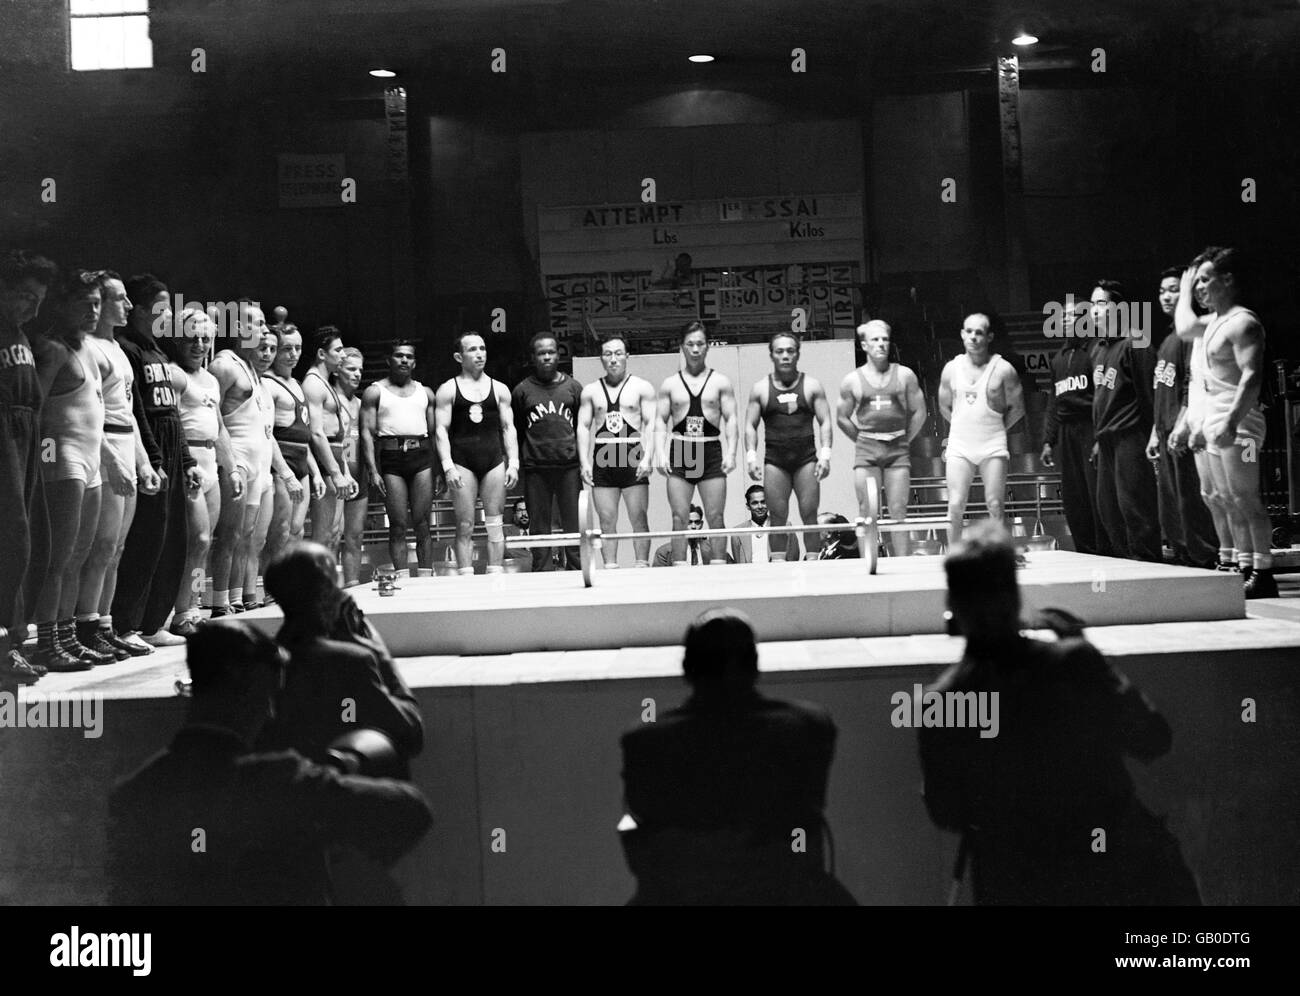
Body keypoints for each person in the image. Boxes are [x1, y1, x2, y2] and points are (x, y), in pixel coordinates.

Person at [917, 522, 1200, 905]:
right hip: (1113, 872)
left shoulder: (942, 701)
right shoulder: (1072, 664)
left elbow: (946, 812)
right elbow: (1153, 738)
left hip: (1015, 881)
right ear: (1015, 597)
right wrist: (1088, 655)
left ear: (953, 605)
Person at [106, 619, 433, 905]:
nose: (270, 712)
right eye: (266, 695)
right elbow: (411, 810)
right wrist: (337, 766)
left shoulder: (130, 795)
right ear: (246, 690)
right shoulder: (282, 780)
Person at [619, 608, 855, 905]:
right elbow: (807, 811)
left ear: (687, 668)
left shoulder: (644, 742)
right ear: (754, 666)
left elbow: (645, 825)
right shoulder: (809, 727)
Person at [28, 271, 130, 671]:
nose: (93, 311)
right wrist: (39, 460)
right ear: (60, 305)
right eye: (83, 303)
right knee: (57, 557)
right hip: (63, 458)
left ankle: (67, 637)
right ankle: (47, 641)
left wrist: (108, 458)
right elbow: (31, 410)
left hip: (89, 460)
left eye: (96, 303)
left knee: (79, 554)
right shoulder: (50, 349)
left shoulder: (88, 348)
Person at [259, 542, 423, 767]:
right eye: (335, 581)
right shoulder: (352, 661)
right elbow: (411, 731)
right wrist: (375, 649)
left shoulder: (264, 659)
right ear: (327, 592)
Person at [1175, 248, 1276, 597]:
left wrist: (1232, 420)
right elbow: (1184, 326)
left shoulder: (1243, 322)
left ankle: (1262, 573)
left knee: (1245, 497)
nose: (1200, 287)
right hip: (1214, 420)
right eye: (1198, 281)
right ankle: (1240, 564)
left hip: (1240, 421)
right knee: (1222, 498)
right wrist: (1186, 289)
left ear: (1228, 280)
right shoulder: (1210, 323)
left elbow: (1251, 376)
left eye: (1206, 279)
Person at [110, 275, 203, 646]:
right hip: (148, 450)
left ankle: (153, 624)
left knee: (173, 540)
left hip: (170, 449)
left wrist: (187, 459)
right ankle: (126, 624)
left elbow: (172, 414)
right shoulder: (127, 349)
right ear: (142, 309)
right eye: (162, 308)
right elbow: (138, 412)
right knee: (145, 540)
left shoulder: (160, 352)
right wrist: (152, 457)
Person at [75, 272, 162, 654]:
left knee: (118, 547)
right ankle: (85, 624)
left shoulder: (118, 350)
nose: (127, 306)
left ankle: (106, 623)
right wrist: (111, 459)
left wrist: (143, 461)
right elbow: (96, 412)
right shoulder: (90, 347)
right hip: (105, 442)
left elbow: (130, 410)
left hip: (127, 440)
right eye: (120, 299)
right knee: (102, 544)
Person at [0, 250, 57, 684]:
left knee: (27, 540)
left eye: (38, 299)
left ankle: (15, 641)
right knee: (11, 539)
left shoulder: (20, 334)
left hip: (26, 436)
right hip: (5, 436)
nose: (32, 307)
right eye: (23, 296)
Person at [166, 309, 237, 635]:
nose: (198, 344)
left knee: (203, 544)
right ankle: (175, 613)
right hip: (188, 462)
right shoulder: (173, 374)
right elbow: (171, 425)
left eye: (205, 339)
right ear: (178, 339)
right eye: (192, 338)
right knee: (196, 539)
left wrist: (232, 467)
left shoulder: (210, 379)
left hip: (210, 461)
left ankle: (191, 609)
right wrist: (185, 463)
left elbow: (220, 427)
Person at [208, 309, 284, 616]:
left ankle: (237, 598)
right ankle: (218, 602)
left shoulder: (255, 372)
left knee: (248, 536)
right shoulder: (224, 365)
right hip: (237, 462)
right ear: (239, 326)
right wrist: (229, 464)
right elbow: (211, 417)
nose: (265, 328)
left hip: (260, 466)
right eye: (259, 322)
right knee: (228, 534)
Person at [1147, 267, 1218, 569]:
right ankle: (1184, 556)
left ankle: (1207, 559)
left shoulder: (1193, 337)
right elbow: (1162, 390)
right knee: (1171, 506)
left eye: (1174, 289)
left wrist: (1181, 423)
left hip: (1185, 430)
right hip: (1164, 431)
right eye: (1162, 290)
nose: (1166, 295)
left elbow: (1192, 385)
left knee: (1192, 502)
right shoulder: (1166, 340)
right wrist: (1154, 431)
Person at [837, 320, 926, 556]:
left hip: (897, 447)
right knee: (867, 510)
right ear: (864, 345)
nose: (881, 344)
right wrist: (861, 440)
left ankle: (902, 563)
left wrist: (907, 438)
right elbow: (842, 417)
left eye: (885, 339)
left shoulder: (905, 375)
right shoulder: (853, 380)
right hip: (868, 448)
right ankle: (870, 562)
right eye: (875, 340)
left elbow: (920, 411)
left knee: (898, 510)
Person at [435, 332, 519, 575]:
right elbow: (440, 430)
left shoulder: (500, 389)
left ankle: (495, 578)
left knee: (495, 524)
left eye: (482, 348)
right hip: (463, 461)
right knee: (464, 524)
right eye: (472, 349)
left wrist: (513, 462)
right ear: (458, 356)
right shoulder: (448, 390)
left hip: (493, 460)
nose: (479, 353)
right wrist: (448, 465)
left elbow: (508, 427)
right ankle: (465, 581)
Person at [1090, 280, 1162, 562]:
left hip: (1132, 438)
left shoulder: (1138, 344)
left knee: (1136, 509)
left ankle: (1149, 569)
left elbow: (1151, 395)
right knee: (1109, 510)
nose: (1094, 311)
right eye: (1092, 305)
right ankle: (1127, 567)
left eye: (1100, 304)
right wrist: (1097, 439)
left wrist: (1154, 434)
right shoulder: (1098, 349)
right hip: (1106, 441)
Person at [745, 332, 833, 561]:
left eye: (790, 351)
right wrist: (751, 457)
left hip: (806, 460)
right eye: (779, 351)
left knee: (809, 515)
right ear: (772, 355)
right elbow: (750, 425)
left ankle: (813, 562)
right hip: (776, 463)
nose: (785, 356)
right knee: (777, 517)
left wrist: (825, 455)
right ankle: (778, 564)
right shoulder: (761, 389)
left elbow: (826, 421)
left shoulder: (812, 386)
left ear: (797, 354)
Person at [655, 321, 738, 565]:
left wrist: (731, 452)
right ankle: (680, 568)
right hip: (681, 450)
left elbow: (731, 419)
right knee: (679, 516)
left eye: (700, 344)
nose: (695, 349)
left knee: (715, 515)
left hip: (710, 449)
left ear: (707, 347)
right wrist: (660, 453)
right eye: (690, 344)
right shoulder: (671, 384)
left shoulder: (720, 382)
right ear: (682, 347)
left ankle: (719, 566)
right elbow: (660, 421)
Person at [938, 313, 1024, 545]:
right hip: (960, 445)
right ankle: (954, 554)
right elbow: (943, 406)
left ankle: (1000, 555)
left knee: (995, 504)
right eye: (969, 331)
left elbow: (1018, 408)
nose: (973, 337)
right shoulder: (951, 369)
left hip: (992, 444)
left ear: (989, 337)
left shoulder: (1003, 369)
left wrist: (997, 430)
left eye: (979, 332)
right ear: (962, 334)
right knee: (955, 504)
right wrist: (960, 426)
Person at [577, 335, 656, 567]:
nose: (613, 359)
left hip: (633, 456)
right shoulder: (591, 391)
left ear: (627, 356)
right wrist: (584, 463)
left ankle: (642, 565)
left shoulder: (642, 387)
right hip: (604, 458)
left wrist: (649, 456)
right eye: (608, 354)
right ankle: (610, 567)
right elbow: (583, 427)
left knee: (639, 518)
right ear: (601, 358)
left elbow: (651, 424)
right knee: (606, 520)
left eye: (618, 353)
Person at [360, 341, 437, 576]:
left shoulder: (426, 393)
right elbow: (366, 432)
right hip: (391, 459)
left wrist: (440, 470)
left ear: (414, 362)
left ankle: (425, 577)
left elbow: (435, 435)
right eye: (399, 356)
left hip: (421, 457)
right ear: (389, 360)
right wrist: (373, 470)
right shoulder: (375, 391)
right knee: (398, 525)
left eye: (409, 357)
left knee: (423, 523)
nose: (404, 360)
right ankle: (402, 580)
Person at [511, 333, 584, 572]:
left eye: (551, 352)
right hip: (536, 468)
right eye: (541, 353)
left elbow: (580, 427)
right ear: (533, 357)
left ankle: (576, 570)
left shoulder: (573, 387)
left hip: (569, 466)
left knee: (573, 523)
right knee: (539, 526)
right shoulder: (522, 390)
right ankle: (541, 572)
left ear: (558, 354)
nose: (546, 357)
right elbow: (518, 429)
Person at [1041, 298, 1107, 556]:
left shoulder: (1095, 351)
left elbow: (1103, 398)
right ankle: (1085, 552)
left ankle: (1106, 551)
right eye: (1064, 316)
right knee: (1074, 498)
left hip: (1090, 427)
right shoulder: (1058, 358)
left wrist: (1100, 435)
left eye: (1072, 315)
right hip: (1066, 434)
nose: (1066, 319)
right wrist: (1048, 439)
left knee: (1095, 495)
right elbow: (1053, 402)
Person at [263, 324, 326, 567]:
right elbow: (266, 433)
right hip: (283, 462)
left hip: (302, 461)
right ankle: (271, 591)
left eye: (298, 348)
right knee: (280, 531)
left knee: (297, 530)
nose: (293, 354)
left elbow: (304, 436)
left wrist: (317, 472)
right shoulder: (268, 384)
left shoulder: (297, 385)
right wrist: (284, 472)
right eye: (287, 348)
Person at [304, 326, 357, 552]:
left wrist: (345, 470)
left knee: (335, 532)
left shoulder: (328, 384)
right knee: (323, 533)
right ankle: (315, 586)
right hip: (325, 460)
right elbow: (315, 433)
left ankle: (328, 584)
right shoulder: (313, 383)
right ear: (321, 354)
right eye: (338, 350)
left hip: (337, 456)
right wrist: (335, 472)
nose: (343, 355)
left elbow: (344, 434)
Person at [333, 347, 370, 586]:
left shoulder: (361, 403)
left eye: (360, 370)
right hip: (336, 474)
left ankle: (352, 586)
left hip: (360, 474)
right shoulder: (329, 399)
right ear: (337, 370)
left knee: (355, 536)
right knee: (333, 536)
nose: (357, 374)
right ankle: (327, 588)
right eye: (351, 369)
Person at [729, 484, 799, 564]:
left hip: (777, 574)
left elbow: (794, 559)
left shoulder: (784, 526)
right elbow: (738, 565)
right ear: (748, 506)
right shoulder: (738, 532)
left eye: (763, 502)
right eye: (755, 503)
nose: (760, 506)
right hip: (749, 574)